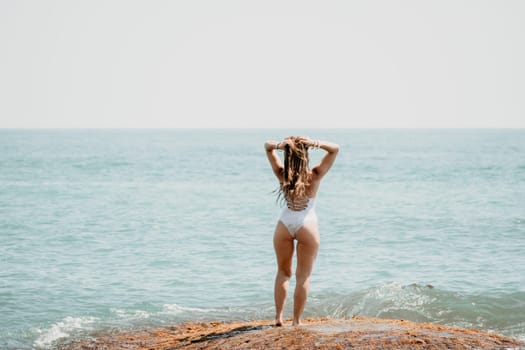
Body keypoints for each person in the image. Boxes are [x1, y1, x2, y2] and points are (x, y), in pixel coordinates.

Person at [264, 136, 339, 326]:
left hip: (285, 222)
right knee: (303, 276)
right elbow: (335, 149)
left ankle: (278, 318)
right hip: (307, 224)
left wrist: (281, 146)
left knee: (282, 273)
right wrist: (315, 143)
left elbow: (267, 147)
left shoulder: (282, 174)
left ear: (288, 156)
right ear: (306, 156)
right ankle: (296, 321)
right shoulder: (314, 174)